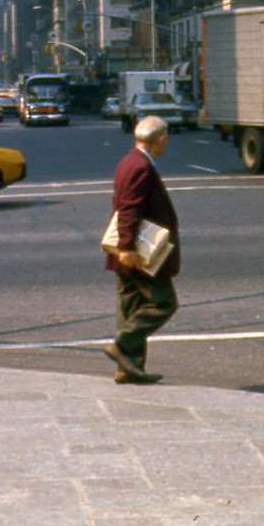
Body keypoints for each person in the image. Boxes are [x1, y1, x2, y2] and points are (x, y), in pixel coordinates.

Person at [104, 115, 180, 385]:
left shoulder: (129, 160)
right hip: (138, 251)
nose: (166, 144)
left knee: (131, 304)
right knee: (163, 303)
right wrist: (126, 247)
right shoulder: (141, 167)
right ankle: (122, 344)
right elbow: (129, 208)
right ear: (161, 139)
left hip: (128, 249)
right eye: (166, 139)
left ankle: (128, 369)